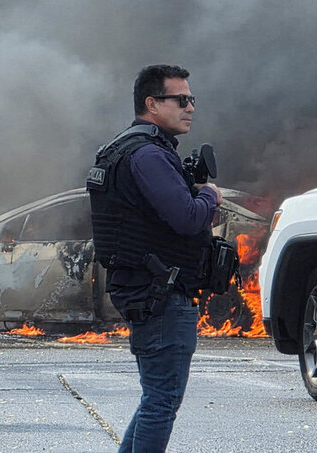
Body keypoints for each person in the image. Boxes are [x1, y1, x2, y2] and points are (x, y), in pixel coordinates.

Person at [86, 64, 223, 452]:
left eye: (191, 99)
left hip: (148, 291)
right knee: (162, 402)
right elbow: (188, 217)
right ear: (151, 103)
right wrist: (209, 195)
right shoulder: (148, 155)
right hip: (162, 295)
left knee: (155, 399)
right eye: (181, 99)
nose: (190, 107)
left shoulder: (127, 148)